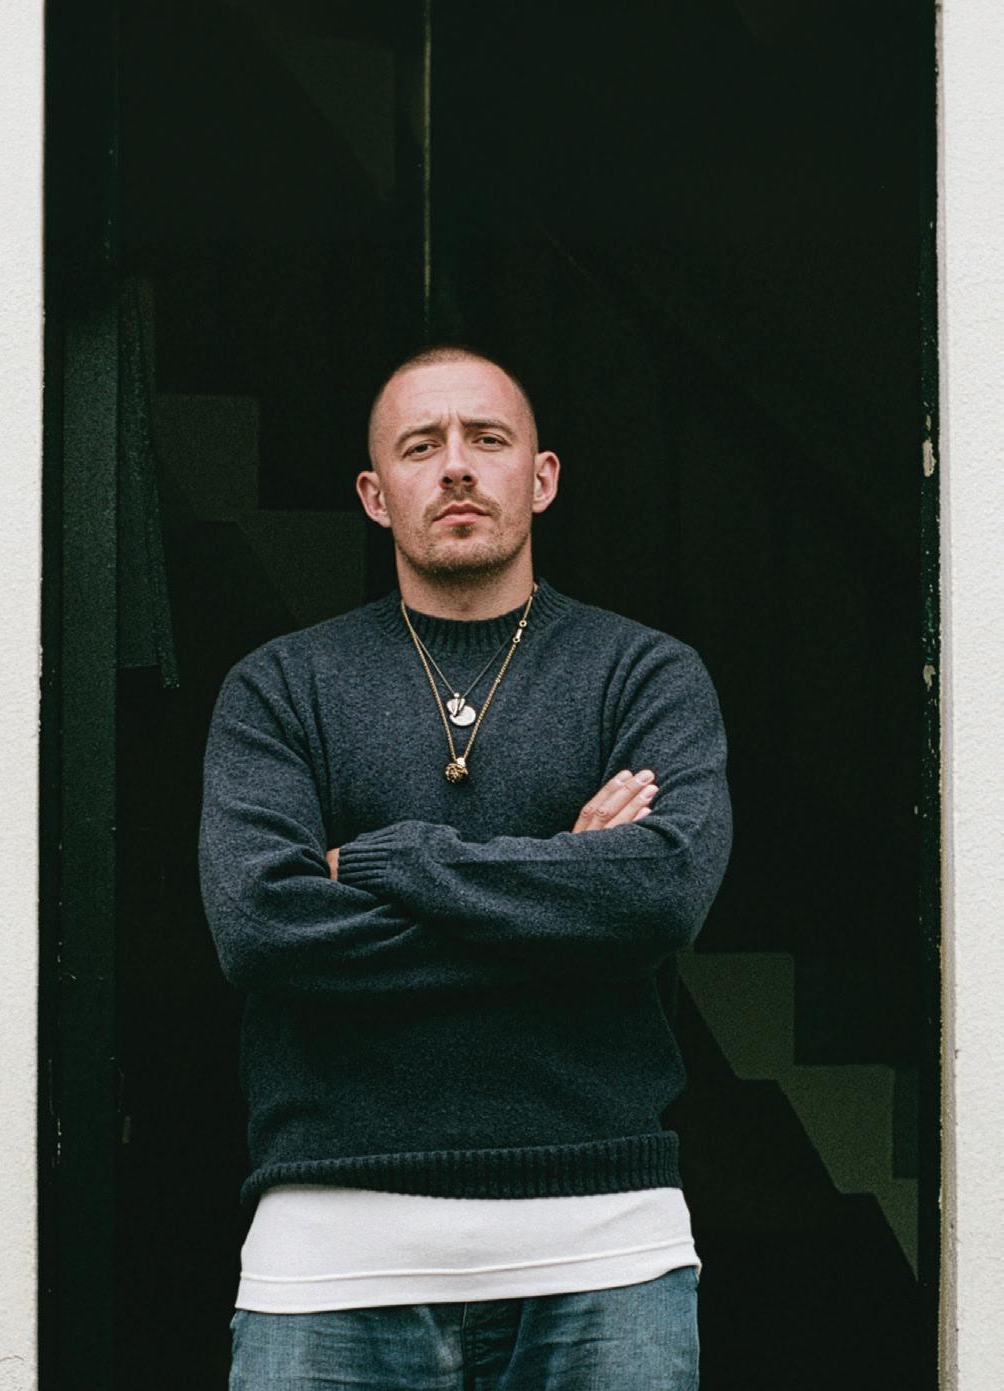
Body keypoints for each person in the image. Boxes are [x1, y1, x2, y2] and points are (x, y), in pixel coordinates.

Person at [199, 344, 733, 1389]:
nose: (454, 465)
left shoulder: (644, 673)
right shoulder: (280, 687)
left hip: (603, 1248)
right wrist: (566, 889)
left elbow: (656, 895)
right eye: (420, 445)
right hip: (328, 1255)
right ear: (373, 494)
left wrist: (381, 859)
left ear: (541, 477)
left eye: (486, 438)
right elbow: (260, 927)